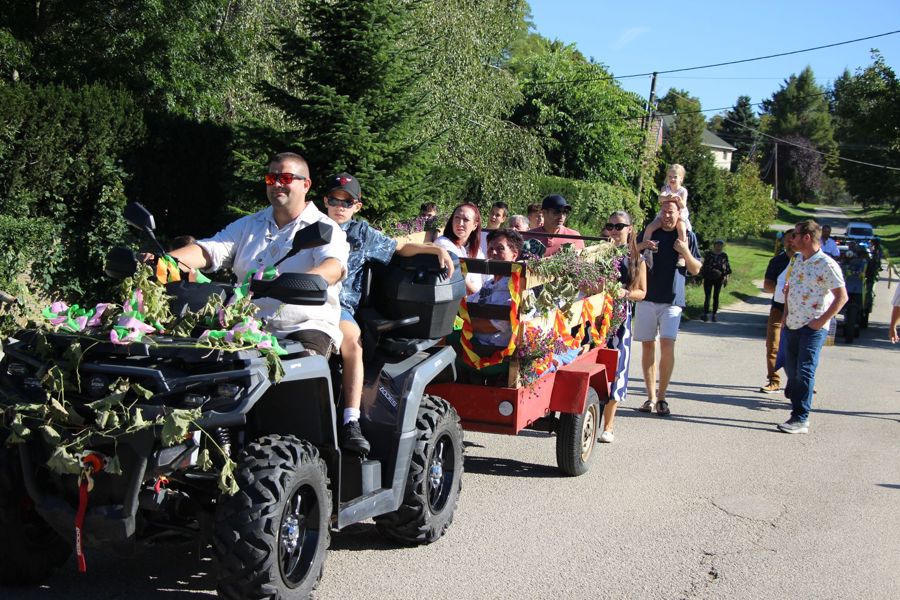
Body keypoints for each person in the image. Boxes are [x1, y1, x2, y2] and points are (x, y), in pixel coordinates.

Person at [167, 151, 349, 359]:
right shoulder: (249, 224)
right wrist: (163, 261)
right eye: (272, 178)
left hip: (303, 326)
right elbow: (210, 249)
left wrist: (295, 283)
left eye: (286, 178)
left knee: (301, 371)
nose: (277, 184)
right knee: (191, 361)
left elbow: (333, 267)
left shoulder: (325, 228)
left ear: (306, 185)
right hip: (244, 324)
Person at [324, 173, 454, 453]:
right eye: (334, 200)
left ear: (357, 206)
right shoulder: (308, 227)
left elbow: (399, 247)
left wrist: (432, 248)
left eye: (347, 202)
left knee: (352, 342)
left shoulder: (361, 233)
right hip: (300, 303)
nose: (340, 206)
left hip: (338, 308)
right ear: (325, 201)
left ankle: (350, 421)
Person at [633, 199, 702, 416]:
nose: (666, 216)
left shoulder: (687, 236)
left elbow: (695, 269)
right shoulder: (650, 231)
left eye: (671, 212)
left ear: (679, 214)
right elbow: (630, 254)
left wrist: (685, 251)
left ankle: (662, 397)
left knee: (667, 345)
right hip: (647, 297)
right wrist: (643, 245)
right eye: (663, 211)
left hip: (672, 300)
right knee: (647, 346)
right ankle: (650, 397)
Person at [779, 220, 847, 434]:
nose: (791, 239)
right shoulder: (798, 260)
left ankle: (800, 418)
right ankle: (797, 398)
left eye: (795, 235)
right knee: (792, 370)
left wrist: (821, 320)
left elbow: (842, 297)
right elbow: (790, 289)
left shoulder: (827, 264)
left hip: (812, 328)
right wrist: (785, 314)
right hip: (792, 324)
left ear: (807, 237)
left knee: (804, 371)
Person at [598, 211, 647, 443]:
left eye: (619, 226)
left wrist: (625, 293)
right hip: (596, 314)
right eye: (611, 226)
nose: (615, 230)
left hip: (619, 317)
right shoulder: (599, 253)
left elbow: (642, 292)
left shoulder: (637, 258)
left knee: (616, 367)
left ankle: (609, 425)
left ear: (630, 229)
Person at [469, 229, 524, 346]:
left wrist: (463, 322)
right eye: (490, 248)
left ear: (514, 255)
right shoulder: (490, 282)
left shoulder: (512, 287)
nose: (493, 253)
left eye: (500, 248)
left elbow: (491, 326)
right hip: (474, 339)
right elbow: (469, 300)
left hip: (489, 347)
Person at [759, 230, 796, 393]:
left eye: (794, 239)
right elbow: (767, 285)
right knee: (773, 344)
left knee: (798, 347)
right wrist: (783, 291)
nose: (791, 243)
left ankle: (802, 381)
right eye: (787, 240)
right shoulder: (777, 261)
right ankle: (773, 380)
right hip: (779, 308)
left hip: (800, 310)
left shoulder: (806, 262)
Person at [642, 164, 691, 268]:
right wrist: (667, 197)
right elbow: (660, 199)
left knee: (682, 229)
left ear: (681, 178)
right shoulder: (665, 188)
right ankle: (645, 250)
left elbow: (683, 205)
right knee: (650, 227)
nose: (672, 179)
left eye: (675, 177)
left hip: (679, 214)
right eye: (670, 177)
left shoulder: (683, 191)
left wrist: (678, 200)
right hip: (664, 213)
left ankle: (681, 256)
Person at [436, 203, 485, 294]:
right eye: (457, 218)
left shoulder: (477, 251)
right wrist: (480, 298)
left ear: (475, 225)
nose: (460, 223)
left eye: (466, 219)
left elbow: (486, 278)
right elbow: (461, 281)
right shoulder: (443, 244)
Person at [700, 240, 732, 322]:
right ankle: (706, 314)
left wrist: (726, 278)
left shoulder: (724, 255)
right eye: (717, 244)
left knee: (716, 296)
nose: (719, 246)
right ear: (714, 245)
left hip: (719, 278)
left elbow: (727, 267)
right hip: (708, 277)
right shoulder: (709, 254)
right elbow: (704, 265)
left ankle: (714, 314)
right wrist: (702, 276)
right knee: (707, 296)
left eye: (721, 245)